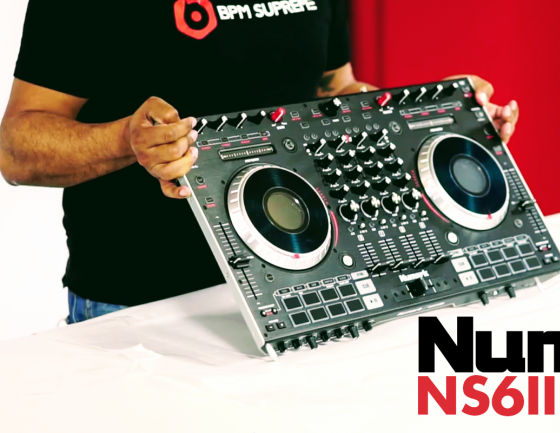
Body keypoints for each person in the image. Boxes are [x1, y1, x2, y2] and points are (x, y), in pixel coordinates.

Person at [0, 0, 520, 323]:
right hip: (143, 305)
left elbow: (334, 92)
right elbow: (16, 148)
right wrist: (125, 140)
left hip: (305, 291)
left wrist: (439, 119)